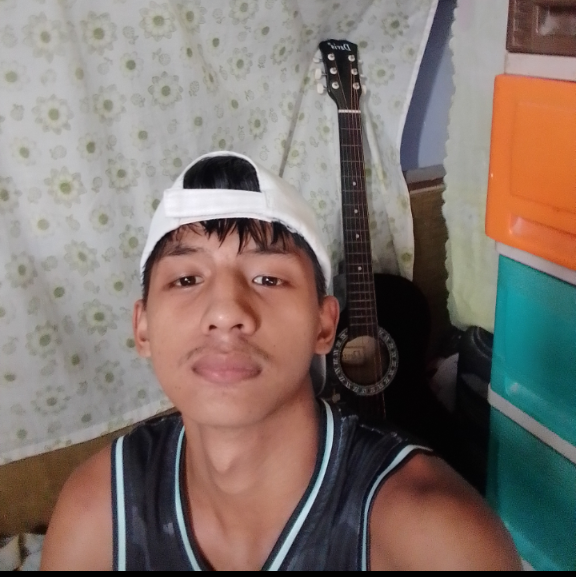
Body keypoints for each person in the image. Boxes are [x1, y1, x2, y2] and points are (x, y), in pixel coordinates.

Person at [40, 151, 522, 571]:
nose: (226, 311)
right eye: (186, 280)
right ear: (142, 328)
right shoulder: (99, 509)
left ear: (324, 326)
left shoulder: (435, 536)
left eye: (268, 279)